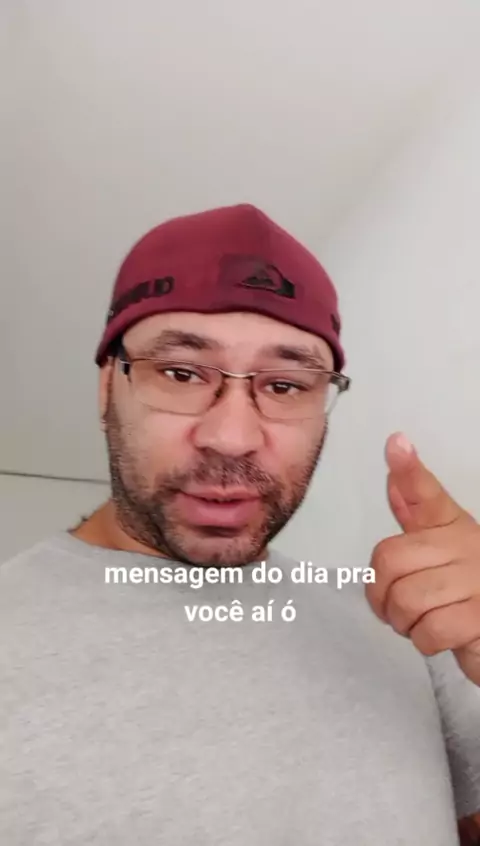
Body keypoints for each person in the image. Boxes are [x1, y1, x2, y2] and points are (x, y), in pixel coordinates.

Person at [1, 203, 479, 846]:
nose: (231, 437)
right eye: (180, 373)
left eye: (285, 386)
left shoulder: (411, 625)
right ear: (108, 387)